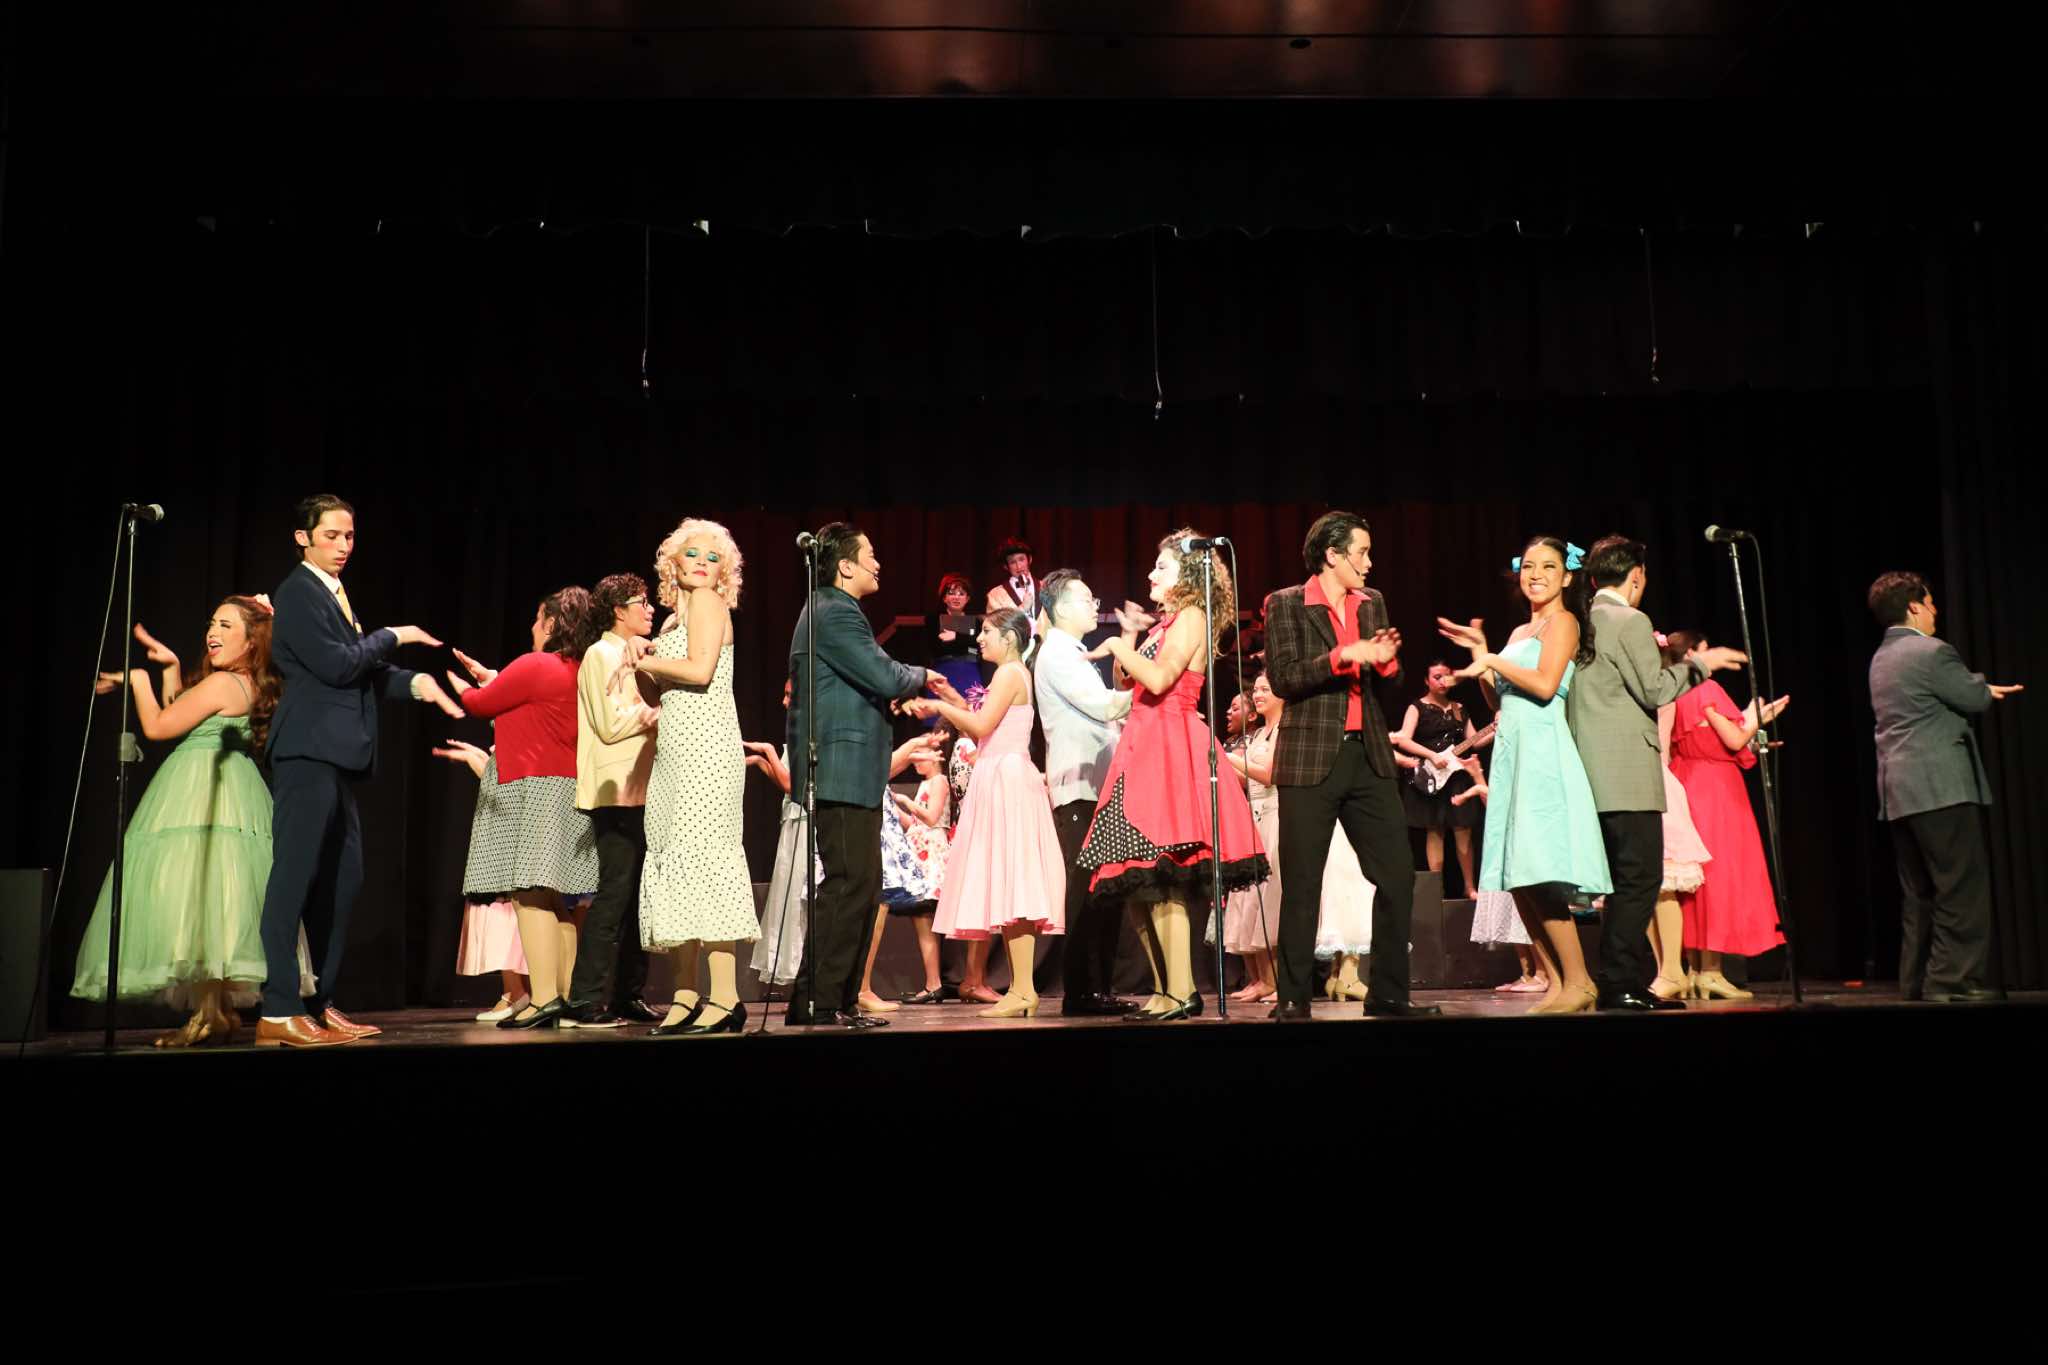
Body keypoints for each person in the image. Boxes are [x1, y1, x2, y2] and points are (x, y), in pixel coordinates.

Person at [255, 494, 461, 1047]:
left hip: (337, 755)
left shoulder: (334, 594)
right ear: (303, 538)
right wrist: (394, 634)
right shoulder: (298, 592)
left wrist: (416, 684)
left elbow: (362, 670)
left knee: (342, 882)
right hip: (307, 751)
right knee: (294, 878)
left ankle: (318, 1002)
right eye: (331, 535)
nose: (343, 546)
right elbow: (337, 665)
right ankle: (279, 1008)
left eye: (349, 536)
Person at [74, 598, 311, 1046]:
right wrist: (171, 667)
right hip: (231, 787)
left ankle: (207, 1013)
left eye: (226, 625)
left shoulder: (222, 683)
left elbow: (159, 726)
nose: (212, 632)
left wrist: (138, 678)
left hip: (203, 788)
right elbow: (184, 711)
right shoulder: (244, 683)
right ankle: (214, 1010)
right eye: (212, 623)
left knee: (199, 894)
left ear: (252, 640)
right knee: (211, 896)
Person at [1076, 530, 1268, 1022]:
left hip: (1168, 746)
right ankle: (1165, 991)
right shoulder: (1167, 623)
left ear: (1186, 574)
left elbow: (1160, 680)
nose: (1150, 574)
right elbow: (1130, 681)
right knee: (1134, 877)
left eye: (1160, 567)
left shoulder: (1192, 617)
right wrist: (1130, 638)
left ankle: (1182, 990)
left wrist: (1115, 643)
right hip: (1142, 744)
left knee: (1163, 874)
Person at [1560, 535, 1746, 1011]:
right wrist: (1701, 664)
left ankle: (1620, 980)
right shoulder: (1629, 620)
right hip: (1626, 773)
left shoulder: (1581, 619)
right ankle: (1619, 982)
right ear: (1637, 576)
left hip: (1592, 771)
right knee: (1640, 879)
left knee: (1624, 882)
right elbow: (1655, 689)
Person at [785, 522, 957, 1029]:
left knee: (860, 885)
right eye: (870, 555)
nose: (878, 564)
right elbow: (881, 672)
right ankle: (818, 1002)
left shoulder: (832, 610)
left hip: (851, 770)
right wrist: (919, 676)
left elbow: (862, 679)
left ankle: (835, 1000)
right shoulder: (835, 610)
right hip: (840, 769)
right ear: (845, 565)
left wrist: (892, 693)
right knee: (848, 885)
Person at [1264, 511, 1434, 1020]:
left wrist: (1385, 661)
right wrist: (1345, 655)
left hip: (1369, 755)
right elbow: (1284, 677)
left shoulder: (1371, 601)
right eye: (1361, 552)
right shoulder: (1287, 603)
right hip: (1310, 757)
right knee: (1303, 883)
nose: (1369, 562)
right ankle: (1293, 999)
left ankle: (1389, 994)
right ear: (1332, 555)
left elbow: (1389, 683)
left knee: (1397, 875)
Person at [1438, 536, 1611, 1015]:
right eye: (1529, 566)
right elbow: (1501, 701)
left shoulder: (1564, 622)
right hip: (1514, 751)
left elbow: (1546, 685)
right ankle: (1558, 982)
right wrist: (1483, 654)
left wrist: (1492, 660)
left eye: (1548, 567)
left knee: (1538, 872)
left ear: (1567, 576)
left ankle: (1580, 980)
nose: (1536, 575)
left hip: (1542, 752)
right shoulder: (1519, 631)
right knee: (1518, 877)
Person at [443, 587, 604, 1030]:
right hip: (569, 788)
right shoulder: (581, 669)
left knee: (529, 894)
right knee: (555, 899)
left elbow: (479, 705)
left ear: (552, 623)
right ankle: (564, 998)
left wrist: (459, 685)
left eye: (537, 619)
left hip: (533, 789)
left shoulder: (537, 664)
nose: (533, 627)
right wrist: (493, 679)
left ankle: (544, 998)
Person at [628, 518, 761, 1036]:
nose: (703, 564)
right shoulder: (669, 624)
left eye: (713, 557)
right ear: (673, 562)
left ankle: (724, 996)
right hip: (675, 752)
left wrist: (647, 658)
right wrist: (644, 660)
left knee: (705, 862)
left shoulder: (708, 603)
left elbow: (701, 671)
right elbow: (657, 694)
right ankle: (685, 995)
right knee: (676, 862)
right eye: (693, 554)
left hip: (707, 750)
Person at [1865, 571, 2022, 1003]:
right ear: (1914, 606)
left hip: (1899, 790)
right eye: (1931, 604)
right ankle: (1951, 981)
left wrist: (1973, 687)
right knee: (1960, 886)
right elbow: (1971, 698)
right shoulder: (1931, 651)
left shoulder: (1881, 657)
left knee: (1920, 892)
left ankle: (1917, 981)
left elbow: (1933, 695)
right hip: (1939, 787)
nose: (1935, 613)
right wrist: (1980, 688)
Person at [906, 610, 1066, 1018]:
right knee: (1010, 888)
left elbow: (979, 726)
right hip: (999, 775)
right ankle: (1022, 989)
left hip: (1006, 778)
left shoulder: (1010, 673)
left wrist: (938, 704)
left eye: (988, 632)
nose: (979, 639)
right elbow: (983, 721)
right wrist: (948, 697)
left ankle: (1024, 989)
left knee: (1016, 886)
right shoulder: (1008, 674)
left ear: (1010, 638)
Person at [1662, 630, 1791, 1000]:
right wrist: (1756, 718)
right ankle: (1711, 972)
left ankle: (1691, 970)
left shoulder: (1670, 691)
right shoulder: (1706, 688)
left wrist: (1746, 727)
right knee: (1720, 878)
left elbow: (1702, 741)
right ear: (1695, 653)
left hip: (1687, 783)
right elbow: (1733, 740)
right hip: (1716, 790)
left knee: (1693, 881)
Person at [1032, 568, 1137, 1016]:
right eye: (1086, 599)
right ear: (1059, 608)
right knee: (1087, 888)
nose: (1095, 606)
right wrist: (1160, 686)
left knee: (1105, 889)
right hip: (1079, 786)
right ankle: (1081, 992)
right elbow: (1103, 705)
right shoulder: (1057, 653)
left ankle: (1098, 988)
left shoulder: (1074, 653)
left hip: (1097, 782)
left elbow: (1109, 705)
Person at [559, 572, 660, 1025]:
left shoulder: (639, 654)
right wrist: (658, 713)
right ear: (619, 611)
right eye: (641, 603)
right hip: (615, 792)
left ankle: (628, 994)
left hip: (642, 790)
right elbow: (610, 724)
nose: (650, 609)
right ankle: (584, 998)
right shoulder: (601, 655)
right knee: (615, 893)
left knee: (639, 898)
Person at [428, 738, 530, 1021]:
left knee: (510, 904)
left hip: (514, 827)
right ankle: (517, 991)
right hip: (506, 823)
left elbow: (510, 784)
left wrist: (483, 764)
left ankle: (518, 992)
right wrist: (484, 762)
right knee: (506, 903)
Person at [859, 727, 953, 1010]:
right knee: (920, 918)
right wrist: (893, 804)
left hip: (931, 852)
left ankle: (935, 982)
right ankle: (932, 982)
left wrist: (906, 802)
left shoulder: (939, 781)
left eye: (920, 756)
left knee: (925, 916)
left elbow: (931, 818)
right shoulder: (925, 784)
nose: (915, 763)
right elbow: (913, 823)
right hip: (918, 849)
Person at [1393, 662, 1490, 896]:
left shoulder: (1458, 708)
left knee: (1463, 829)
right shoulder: (1417, 707)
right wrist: (1431, 755)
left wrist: (1494, 728)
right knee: (1435, 830)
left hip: (1457, 777)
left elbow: (1475, 741)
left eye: (1446, 676)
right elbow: (1403, 740)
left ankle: (1469, 887)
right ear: (1426, 680)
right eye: (1437, 676)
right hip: (1431, 776)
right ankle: (1437, 890)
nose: (1442, 681)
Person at [1448, 759, 1545, 992]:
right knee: (1511, 917)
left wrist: (1474, 787)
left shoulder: (1527, 776)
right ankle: (1527, 974)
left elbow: (1500, 802)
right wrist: (1477, 775)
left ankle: (1542, 973)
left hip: (1521, 852)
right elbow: (1495, 805)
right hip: (1502, 854)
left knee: (1525, 920)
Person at [931, 572, 985, 701]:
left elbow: (977, 648)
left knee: (973, 708)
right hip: (944, 671)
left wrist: (956, 637)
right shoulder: (934, 619)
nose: (956, 597)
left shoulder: (976, 621)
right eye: (951, 593)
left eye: (961, 594)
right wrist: (967, 641)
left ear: (967, 598)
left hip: (970, 670)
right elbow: (938, 648)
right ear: (944, 598)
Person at [985, 536, 1040, 620]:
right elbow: (993, 623)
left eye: (1021, 559)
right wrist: (1021, 609)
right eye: (1012, 562)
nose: (1018, 566)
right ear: (1006, 566)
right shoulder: (996, 595)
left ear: (1029, 560)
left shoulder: (1046, 587)